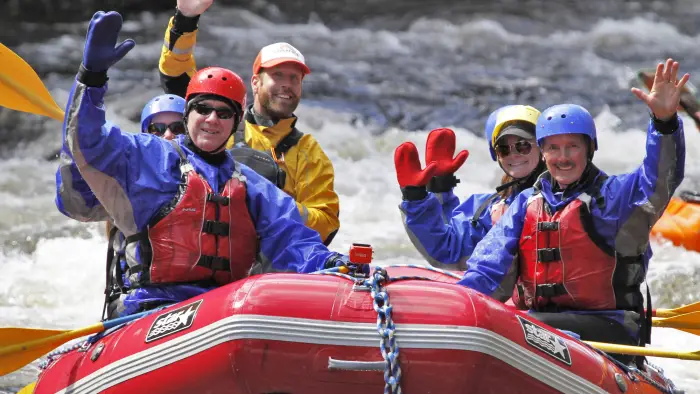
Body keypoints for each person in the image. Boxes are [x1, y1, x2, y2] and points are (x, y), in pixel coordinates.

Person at [63, 11, 358, 318]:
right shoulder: (147, 155)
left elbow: (294, 238)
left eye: (223, 113)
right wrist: (91, 78)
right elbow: (87, 143)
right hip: (150, 305)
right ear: (186, 113)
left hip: (220, 306)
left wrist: (332, 263)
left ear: (235, 121)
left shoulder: (252, 183)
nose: (212, 120)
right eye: (203, 109)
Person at [453, 59, 687, 363]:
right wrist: (458, 306)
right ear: (542, 152)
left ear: (589, 149)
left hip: (609, 328)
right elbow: (487, 268)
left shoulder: (614, 197)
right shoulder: (527, 203)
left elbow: (660, 178)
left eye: (572, 147)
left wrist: (664, 122)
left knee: (520, 326)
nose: (562, 158)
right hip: (538, 325)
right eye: (552, 148)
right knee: (512, 323)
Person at [157, 0, 340, 246]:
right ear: (256, 83)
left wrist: (269, 202)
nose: (287, 84)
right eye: (277, 75)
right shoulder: (219, 121)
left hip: (263, 262)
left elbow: (326, 225)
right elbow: (176, 76)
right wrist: (185, 19)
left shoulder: (309, 153)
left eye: (294, 78)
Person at [396, 105, 546, 270]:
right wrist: (419, 195)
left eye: (523, 145)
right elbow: (449, 252)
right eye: (504, 149)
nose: (514, 154)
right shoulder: (489, 208)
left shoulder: (563, 195)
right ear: (496, 154)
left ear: (542, 147)